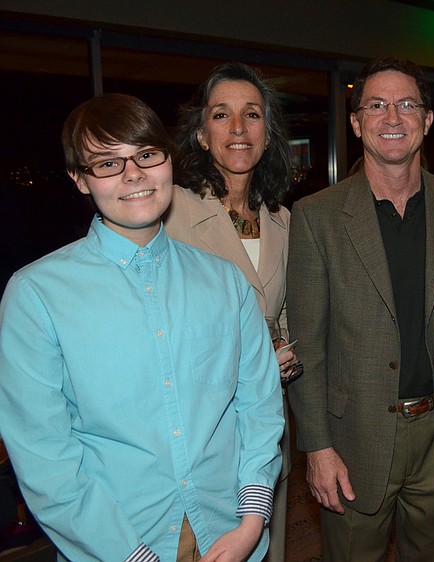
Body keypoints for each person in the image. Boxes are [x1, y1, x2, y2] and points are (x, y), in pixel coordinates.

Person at [0, 93, 284, 561]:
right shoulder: (38, 295)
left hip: (230, 535)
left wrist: (252, 523)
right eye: (107, 164)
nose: (133, 175)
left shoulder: (224, 281)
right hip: (115, 545)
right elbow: (45, 458)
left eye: (146, 155)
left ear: (168, 160)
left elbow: (258, 406)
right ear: (79, 178)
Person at [286, 57, 434, 561]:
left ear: (427, 120)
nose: (392, 118)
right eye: (376, 106)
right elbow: (307, 343)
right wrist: (316, 447)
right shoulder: (317, 217)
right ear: (356, 123)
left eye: (406, 105)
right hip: (354, 439)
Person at [163, 61, 295, 562]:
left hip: (263, 437)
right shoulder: (168, 212)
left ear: (268, 132)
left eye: (252, 115)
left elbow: (276, 318)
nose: (238, 129)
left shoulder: (282, 219)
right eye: (222, 115)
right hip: (199, 439)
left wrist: (285, 353)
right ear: (201, 134)